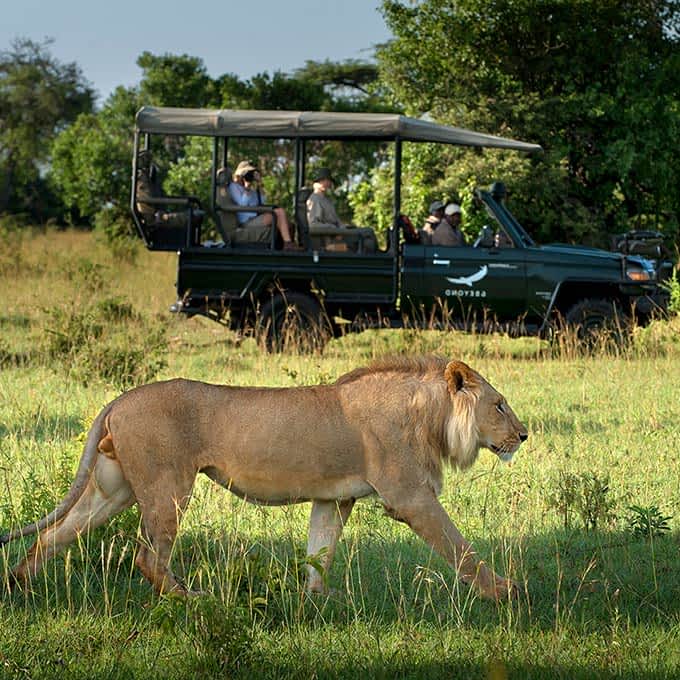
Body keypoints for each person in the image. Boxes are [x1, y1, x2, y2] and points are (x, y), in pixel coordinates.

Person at [229, 160, 301, 250]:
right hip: (246, 221)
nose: (248, 176)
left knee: (287, 221)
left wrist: (259, 184)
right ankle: (288, 244)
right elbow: (242, 204)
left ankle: (289, 244)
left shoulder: (250, 188)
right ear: (240, 173)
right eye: (247, 173)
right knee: (279, 212)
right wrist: (247, 187)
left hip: (256, 217)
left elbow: (262, 200)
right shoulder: (233, 186)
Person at [306, 167, 377, 252]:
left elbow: (337, 221)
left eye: (327, 180)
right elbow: (313, 226)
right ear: (316, 183)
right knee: (367, 234)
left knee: (368, 232)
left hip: (340, 233)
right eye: (322, 180)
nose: (326, 183)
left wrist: (342, 228)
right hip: (330, 238)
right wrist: (334, 230)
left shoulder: (327, 200)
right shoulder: (314, 200)